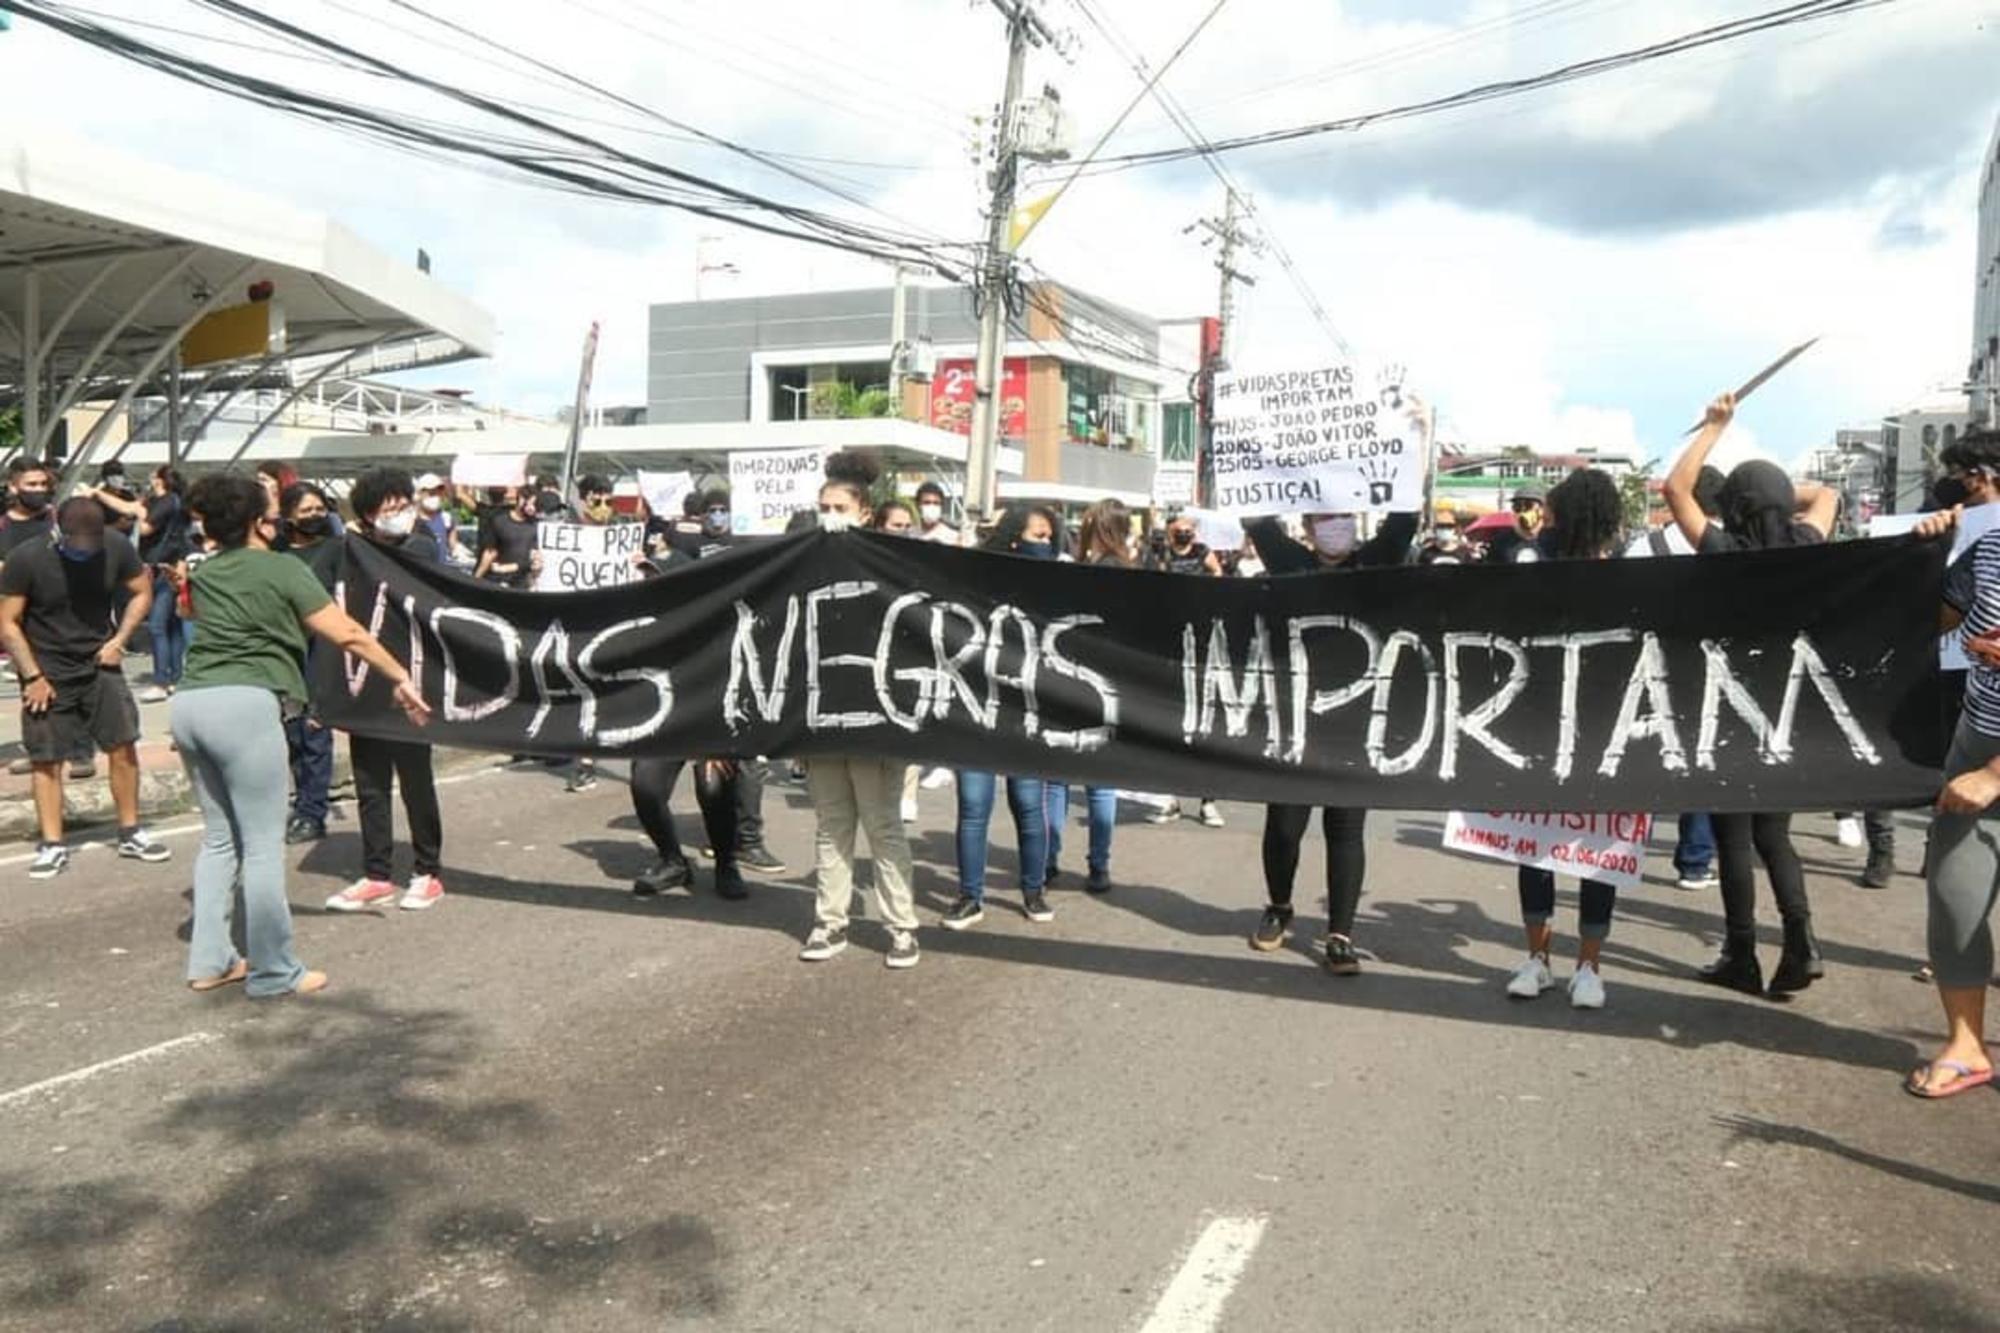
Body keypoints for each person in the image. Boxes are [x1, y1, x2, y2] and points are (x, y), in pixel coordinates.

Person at [172, 471, 429, 997]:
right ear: (256, 522)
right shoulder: (282, 568)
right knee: (264, 846)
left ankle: (210, 961)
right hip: (245, 704)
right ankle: (273, 971)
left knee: (220, 840)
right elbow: (347, 632)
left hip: (190, 703)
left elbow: (186, 610)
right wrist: (400, 676)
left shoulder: (204, 571)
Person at [1666, 391, 1839, 996]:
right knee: (1776, 836)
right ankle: (1802, 941)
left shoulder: (1724, 553)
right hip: (1790, 714)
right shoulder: (1806, 546)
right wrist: (1773, 496)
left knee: (1734, 838)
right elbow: (1827, 496)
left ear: (1735, 507)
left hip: (1731, 714)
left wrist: (1714, 426)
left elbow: (1675, 491)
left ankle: (1741, 952)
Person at [1243, 504, 1419, 974]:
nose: (1334, 526)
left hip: (1355, 724)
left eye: (1342, 516)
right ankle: (1279, 907)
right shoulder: (1291, 563)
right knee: (1284, 827)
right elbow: (1256, 519)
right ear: (1306, 527)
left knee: (1345, 830)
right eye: (1324, 518)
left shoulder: (1373, 563)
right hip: (1294, 721)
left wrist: (1414, 445)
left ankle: (1340, 934)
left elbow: (1404, 523)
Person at [1502, 469, 1626, 1009]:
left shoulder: (1625, 571)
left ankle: (1555, 962)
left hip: (1592, 728)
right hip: (1559, 725)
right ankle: (1567, 966)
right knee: (1554, 847)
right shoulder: (1533, 562)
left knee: (1579, 850)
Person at [0, 498, 171, 879]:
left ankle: (130, 831)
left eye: (89, 546)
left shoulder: (116, 547)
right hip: (46, 667)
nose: (84, 553)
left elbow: (142, 592)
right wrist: (32, 676)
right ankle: (52, 844)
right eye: (76, 546)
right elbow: (8, 623)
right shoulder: (26, 559)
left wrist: (120, 639)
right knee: (46, 758)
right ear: (57, 532)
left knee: (123, 745)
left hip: (100, 663)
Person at [795, 455, 921, 967]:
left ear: (864, 512)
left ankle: (903, 928)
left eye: (840, 508)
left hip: (874, 716)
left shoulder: (889, 561)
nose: (830, 516)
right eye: (823, 507)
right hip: (822, 715)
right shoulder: (803, 561)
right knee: (831, 826)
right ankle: (829, 923)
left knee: (882, 825)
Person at [1911, 436, 2000, 1095]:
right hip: (1979, 730)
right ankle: (1968, 1043)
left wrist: (1994, 776)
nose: (1967, 493)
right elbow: (1929, 617)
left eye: (1971, 481)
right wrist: (1923, 552)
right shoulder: (1988, 546)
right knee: (1955, 892)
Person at [322, 469, 449, 914]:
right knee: (370, 783)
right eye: (386, 508)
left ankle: (427, 871)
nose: (397, 513)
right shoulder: (355, 552)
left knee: (416, 781)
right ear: (369, 515)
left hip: (411, 682)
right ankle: (376, 874)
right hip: (368, 683)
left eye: (402, 504)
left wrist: (360, 539)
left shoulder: (421, 545)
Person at [942, 506, 1065, 929]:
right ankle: (969, 897)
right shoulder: (974, 581)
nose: (1045, 544)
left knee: (1030, 807)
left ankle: (1034, 891)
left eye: (1050, 536)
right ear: (1014, 538)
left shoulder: (1057, 589)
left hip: (1025, 712)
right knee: (974, 807)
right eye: (1037, 535)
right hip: (975, 711)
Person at [1620, 463, 1726, 892]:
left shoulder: (1646, 546)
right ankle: (1694, 863)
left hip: (1650, 666)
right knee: (1700, 760)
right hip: (1709, 672)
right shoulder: (1730, 544)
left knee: (1638, 756)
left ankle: (1617, 849)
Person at [1143, 509, 1228, 831]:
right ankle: (1170, 799)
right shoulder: (1157, 554)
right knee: (1171, 726)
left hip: (1202, 646)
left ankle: (1208, 801)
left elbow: (1219, 578)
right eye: (1179, 530)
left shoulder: (1203, 554)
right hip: (1168, 649)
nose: (1184, 534)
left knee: (1204, 726)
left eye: (1188, 530)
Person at [277, 483, 342, 844]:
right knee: (291, 731)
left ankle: (313, 812)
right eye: (306, 510)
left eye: (320, 509)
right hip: (285, 652)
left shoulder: (337, 550)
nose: (315, 516)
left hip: (322, 652)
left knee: (315, 731)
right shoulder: (277, 553)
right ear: (289, 515)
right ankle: (302, 800)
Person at [136, 466, 192, 703]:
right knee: (173, 627)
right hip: (169, 566)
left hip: (162, 569)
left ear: (159, 480)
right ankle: (176, 678)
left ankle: (162, 680)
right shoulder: (176, 502)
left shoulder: (166, 502)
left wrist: (139, 510)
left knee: (158, 625)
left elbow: (145, 527)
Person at [474, 485, 539, 588]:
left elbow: (536, 559)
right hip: (498, 581)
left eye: (534, 504)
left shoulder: (536, 525)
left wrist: (511, 567)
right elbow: (490, 552)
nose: (531, 507)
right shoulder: (499, 521)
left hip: (522, 584)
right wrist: (476, 579)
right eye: (528, 502)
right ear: (520, 499)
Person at [1484, 482, 1546, 565]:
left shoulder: (1553, 540)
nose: (1522, 511)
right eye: (1517, 507)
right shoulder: (1500, 542)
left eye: (1528, 505)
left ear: (1542, 509)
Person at [414, 472, 460, 559]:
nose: (435, 497)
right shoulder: (411, 519)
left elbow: (453, 545)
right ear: (420, 494)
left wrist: (457, 552)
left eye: (438, 493)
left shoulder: (446, 519)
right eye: (431, 493)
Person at [915, 480, 958, 545]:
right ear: (918, 505)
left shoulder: (953, 538)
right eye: (927, 502)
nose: (931, 507)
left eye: (936, 503)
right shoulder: (909, 534)